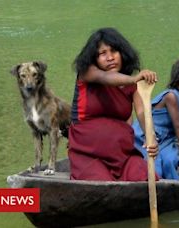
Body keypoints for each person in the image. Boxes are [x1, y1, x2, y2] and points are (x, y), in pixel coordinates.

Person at [68, 27, 158, 181]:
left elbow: (142, 112)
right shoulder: (87, 73)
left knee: (146, 177)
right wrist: (134, 78)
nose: (110, 57)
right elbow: (106, 78)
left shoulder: (133, 86)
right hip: (88, 155)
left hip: (123, 155)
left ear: (122, 54)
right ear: (94, 59)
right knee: (102, 185)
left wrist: (151, 136)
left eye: (114, 51)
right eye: (103, 53)